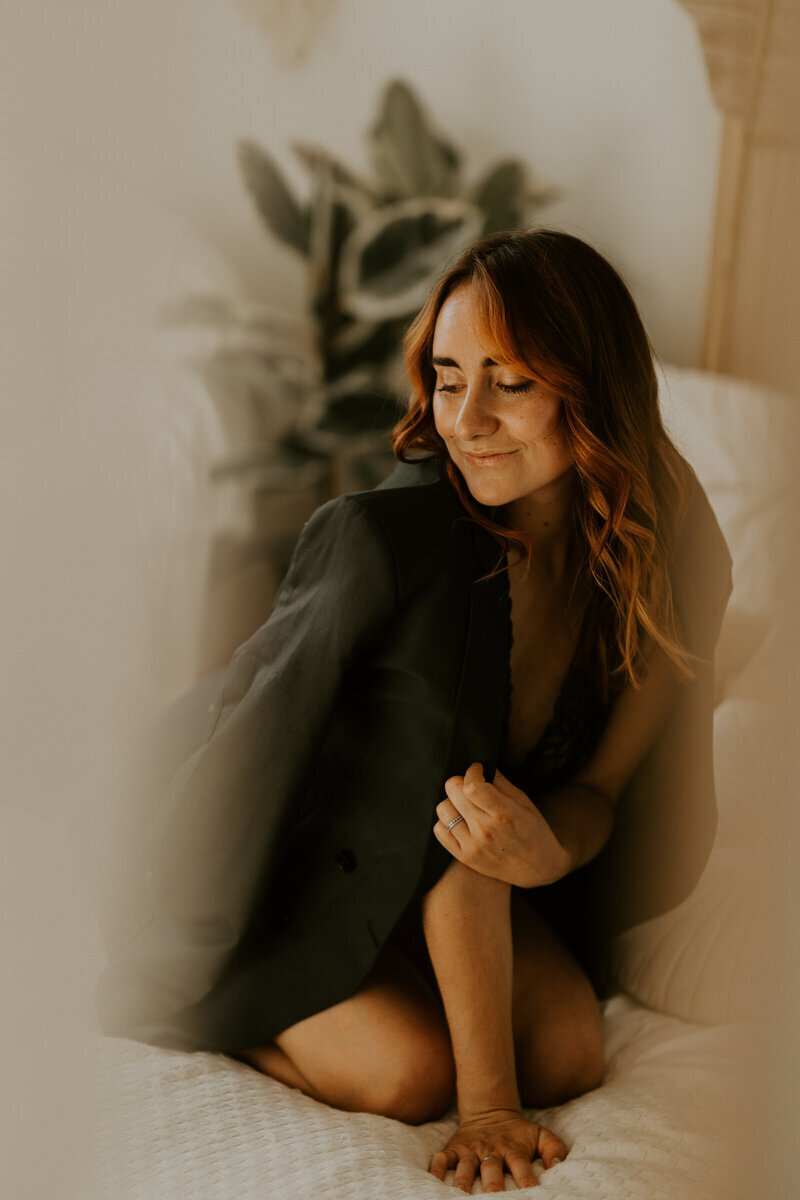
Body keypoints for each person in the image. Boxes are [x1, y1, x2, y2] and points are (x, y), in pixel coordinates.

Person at [95, 228, 732, 1194]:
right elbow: (438, 825)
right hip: (292, 847)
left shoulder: (669, 548)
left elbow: (602, 787)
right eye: (446, 376)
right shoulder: (397, 550)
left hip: (446, 864)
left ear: (592, 387)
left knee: (569, 1052)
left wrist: (551, 851)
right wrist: (485, 1109)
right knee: (409, 1072)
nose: (465, 417)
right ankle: (235, 1011)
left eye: (509, 381)